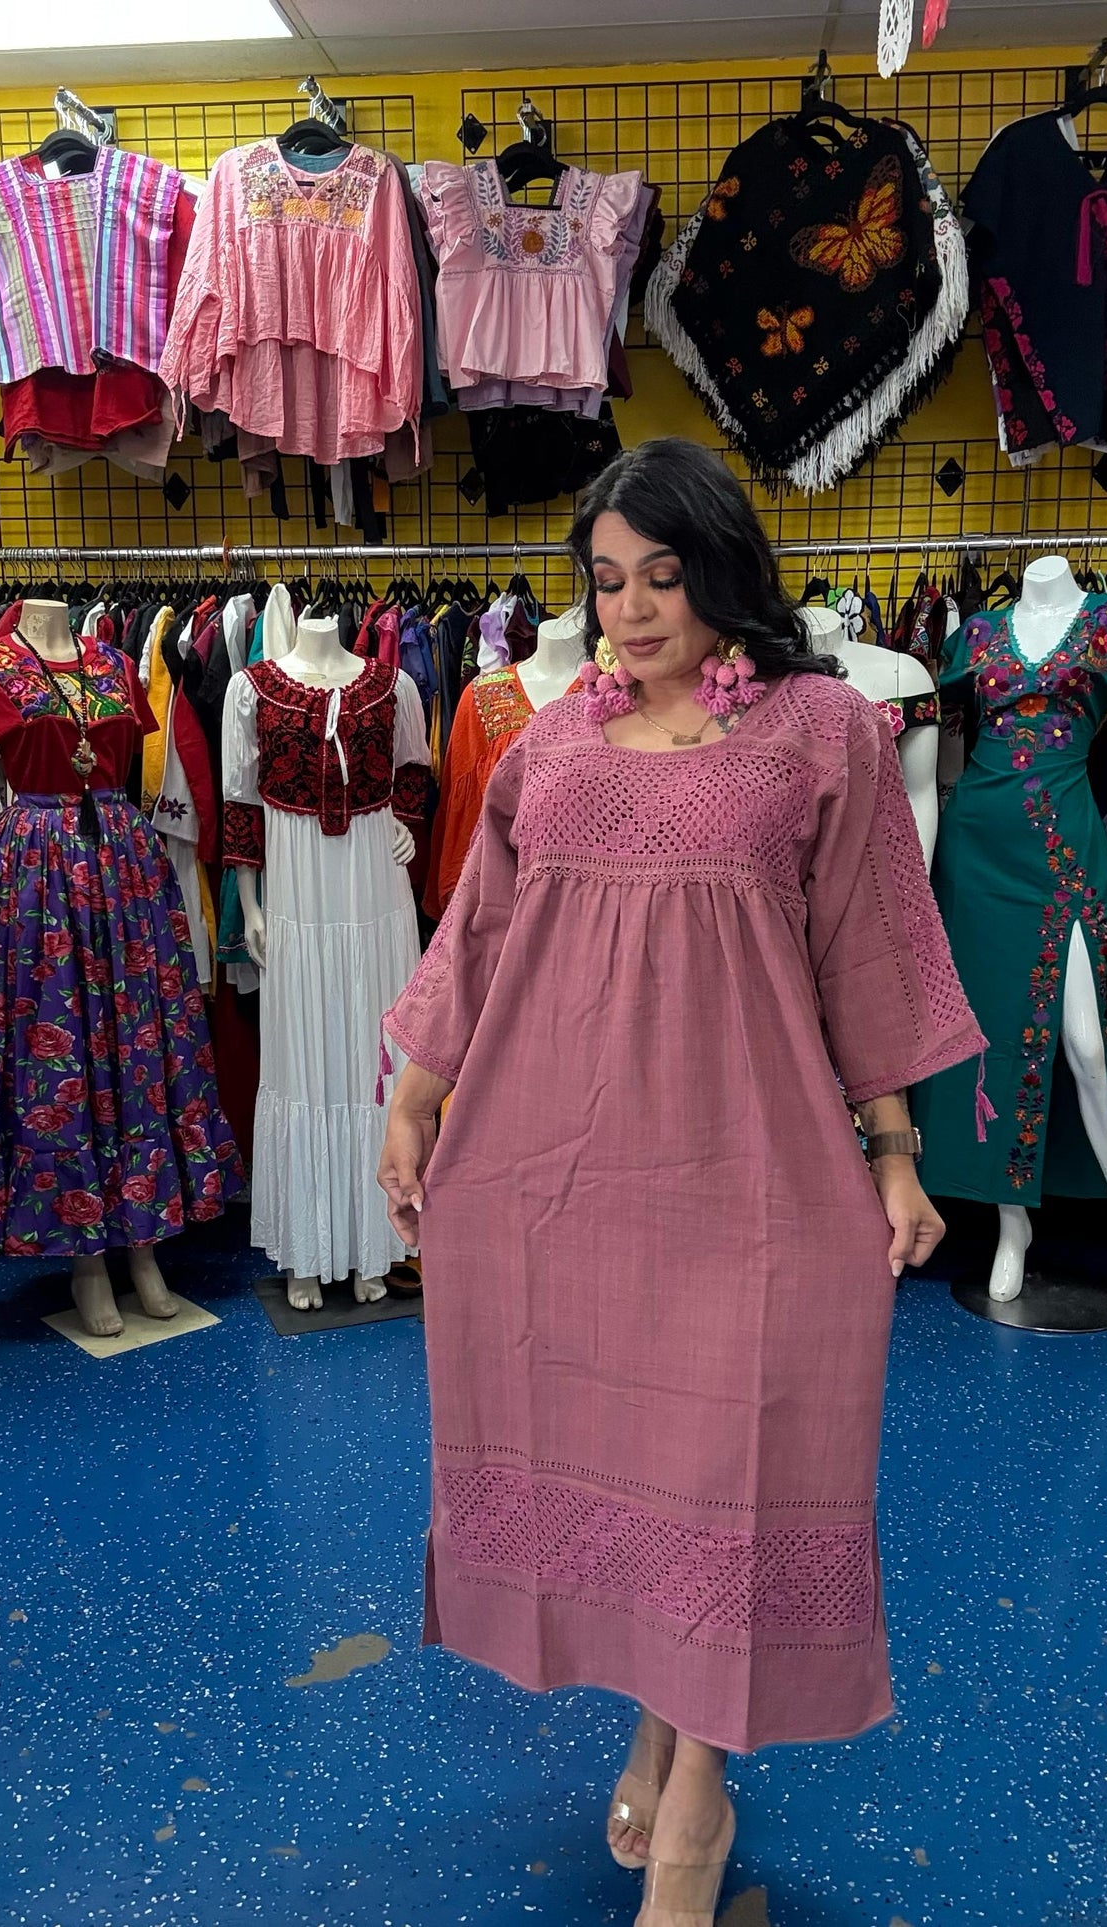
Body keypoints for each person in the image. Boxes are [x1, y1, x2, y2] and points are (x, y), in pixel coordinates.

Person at [377, 439, 984, 1926]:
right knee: (609, 1447)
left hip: (749, 1172)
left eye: (662, 575)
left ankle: (701, 1798)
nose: (633, 611)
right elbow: (478, 936)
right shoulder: (551, 738)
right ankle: (656, 1715)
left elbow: (868, 951)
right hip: (555, 1164)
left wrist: (894, 1156)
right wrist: (411, 1100)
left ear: (722, 573)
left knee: (735, 1462)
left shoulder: (821, 730)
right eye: (605, 581)